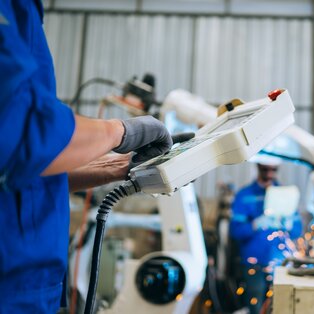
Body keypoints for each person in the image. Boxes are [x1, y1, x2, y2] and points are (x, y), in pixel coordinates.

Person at [0, 1, 192, 312]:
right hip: (11, 286)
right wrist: (121, 133)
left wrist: (121, 166)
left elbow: (26, 167)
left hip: (30, 282)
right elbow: (25, 132)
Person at [229, 157, 302, 314]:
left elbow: (297, 231)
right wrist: (255, 224)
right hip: (254, 263)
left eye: (273, 170)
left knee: (281, 305)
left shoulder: (286, 196)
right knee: (256, 306)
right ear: (258, 167)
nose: (269, 174)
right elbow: (235, 231)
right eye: (265, 169)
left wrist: (289, 224)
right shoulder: (244, 195)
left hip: (281, 264)